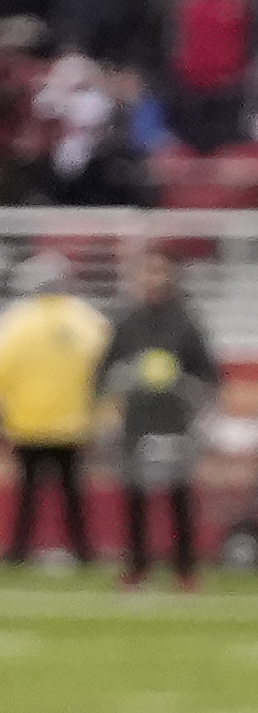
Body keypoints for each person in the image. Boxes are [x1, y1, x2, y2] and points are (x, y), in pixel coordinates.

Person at [0, 255, 110, 572]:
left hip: (27, 420)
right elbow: (104, 370)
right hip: (74, 422)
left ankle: (18, 551)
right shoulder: (88, 320)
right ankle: (83, 552)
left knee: (27, 495)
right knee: (73, 494)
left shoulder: (15, 321)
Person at [101, 243, 215, 591]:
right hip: (137, 421)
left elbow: (208, 375)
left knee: (179, 496)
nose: (152, 278)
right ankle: (137, 567)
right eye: (147, 271)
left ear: (171, 276)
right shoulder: (127, 322)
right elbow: (105, 371)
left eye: (159, 270)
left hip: (175, 422)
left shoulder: (186, 322)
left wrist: (182, 385)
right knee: (135, 496)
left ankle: (185, 569)